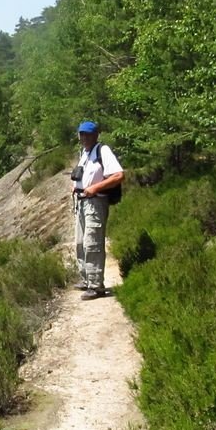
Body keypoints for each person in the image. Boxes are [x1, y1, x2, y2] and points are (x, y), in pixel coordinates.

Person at [72, 120, 124, 299]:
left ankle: (96, 285)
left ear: (95, 135)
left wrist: (95, 188)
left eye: (87, 134)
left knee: (92, 243)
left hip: (95, 201)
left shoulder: (103, 151)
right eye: (82, 134)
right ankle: (86, 278)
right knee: (80, 243)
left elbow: (118, 175)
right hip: (82, 202)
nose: (84, 137)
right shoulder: (85, 153)